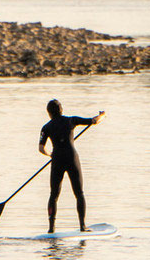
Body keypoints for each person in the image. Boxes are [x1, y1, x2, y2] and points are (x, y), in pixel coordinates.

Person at [38, 99, 105, 234]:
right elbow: (94, 121)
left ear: (49, 113)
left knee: (54, 195)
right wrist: (102, 115)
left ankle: (51, 228)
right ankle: (82, 226)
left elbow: (41, 148)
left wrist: (51, 155)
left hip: (57, 160)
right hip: (71, 158)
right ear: (61, 110)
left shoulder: (46, 127)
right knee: (79, 193)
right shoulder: (71, 120)